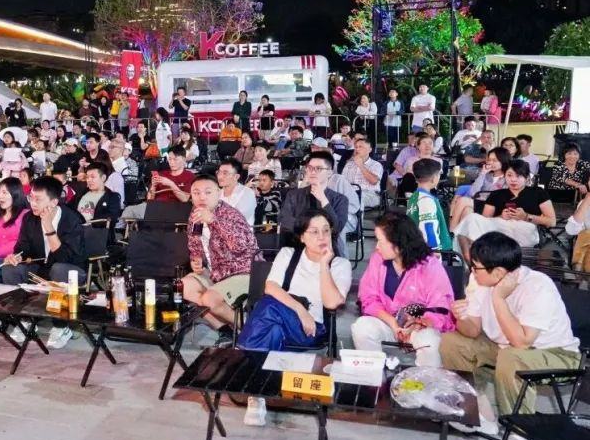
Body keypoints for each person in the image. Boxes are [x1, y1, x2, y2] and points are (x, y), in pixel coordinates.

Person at [440, 232, 581, 440]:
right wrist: (459, 316)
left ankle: (520, 435)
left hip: (557, 354)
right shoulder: (479, 280)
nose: (472, 271)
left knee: (512, 356)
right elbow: (472, 331)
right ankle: (480, 413)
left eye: (476, 267)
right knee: (452, 342)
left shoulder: (537, 286)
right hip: (504, 348)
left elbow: (522, 341)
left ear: (498, 272)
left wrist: (498, 299)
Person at [237, 209, 352, 425]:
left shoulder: (340, 265)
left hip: (313, 330)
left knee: (267, 307)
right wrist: (301, 310)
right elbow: (270, 287)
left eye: (326, 231)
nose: (321, 237)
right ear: (302, 237)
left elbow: (331, 303)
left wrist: (324, 266)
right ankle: (257, 396)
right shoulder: (288, 254)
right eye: (314, 232)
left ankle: (244, 365)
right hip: (283, 321)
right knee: (271, 324)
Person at [351, 212, 455, 366]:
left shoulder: (429, 265)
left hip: (420, 327)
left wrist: (418, 324)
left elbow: (440, 306)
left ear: (398, 244)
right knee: (362, 328)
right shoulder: (378, 259)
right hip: (389, 322)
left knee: (428, 342)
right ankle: (373, 374)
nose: (377, 246)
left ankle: (425, 379)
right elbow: (368, 298)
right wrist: (393, 323)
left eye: (380, 241)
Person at [2, 176, 86, 349]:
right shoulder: (29, 218)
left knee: (58, 269)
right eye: (31, 198)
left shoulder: (72, 219)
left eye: (38, 199)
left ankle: (61, 325)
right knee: (10, 269)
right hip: (41, 269)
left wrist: (48, 227)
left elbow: (64, 258)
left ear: (54, 202)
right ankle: (25, 319)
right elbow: (22, 248)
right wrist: (16, 257)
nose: (33, 203)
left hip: (71, 271)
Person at [182, 175, 258, 345]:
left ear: (218, 193)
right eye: (196, 193)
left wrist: (213, 221)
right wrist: (196, 259)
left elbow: (240, 247)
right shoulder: (195, 215)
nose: (202, 197)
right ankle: (226, 331)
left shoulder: (230, 214)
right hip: (216, 273)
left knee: (209, 299)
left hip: (244, 272)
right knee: (184, 286)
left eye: (208, 192)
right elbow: (194, 244)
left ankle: (253, 330)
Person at [453, 159, 555, 255]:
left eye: (518, 176)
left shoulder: (538, 193)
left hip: (525, 231)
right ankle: (469, 258)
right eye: (509, 175)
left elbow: (551, 222)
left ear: (527, 178)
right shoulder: (496, 194)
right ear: (504, 176)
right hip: (499, 231)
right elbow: (485, 221)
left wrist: (526, 216)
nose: (513, 179)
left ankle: (475, 254)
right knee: (472, 218)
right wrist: (501, 217)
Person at [277, 151, 349, 256]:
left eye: (318, 168)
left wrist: (323, 200)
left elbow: (337, 228)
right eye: (309, 168)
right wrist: (312, 232)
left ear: (329, 172)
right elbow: (284, 219)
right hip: (296, 247)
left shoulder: (340, 199)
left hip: (325, 250)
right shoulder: (294, 195)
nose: (313, 172)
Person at [120, 145, 194, 221]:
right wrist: (153, 186)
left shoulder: (189, 176)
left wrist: (171, 184)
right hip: (154, 206)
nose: (172, 162)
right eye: (170, 159)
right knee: (129, 210)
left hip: (174, 208)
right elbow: (149, 199)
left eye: (175, 159)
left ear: (184, 160)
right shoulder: (162, 174)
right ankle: (121, 228)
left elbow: (185, 199)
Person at [450, 147, 511, 230]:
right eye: (489, 160)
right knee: (467, 211)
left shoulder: (507, 178)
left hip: (493, 208)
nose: (491, 162)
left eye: (495, 160)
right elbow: (473, 193)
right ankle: (461, 236)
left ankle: (452, 230)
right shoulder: (486, 175)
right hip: (479, 204)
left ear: (503, 161)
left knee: (463, 200)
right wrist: (483, 173)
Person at [406, 158, 451, 252]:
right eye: (439, 174)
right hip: (431, 250)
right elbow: (428, 226)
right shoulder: (426, 200)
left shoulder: (414, 196)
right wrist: (434, 250)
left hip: (416, 246)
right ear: (434, 178)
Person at [341, 137, 383, 209]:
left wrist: (360, 165)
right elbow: (343, 181)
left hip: (370, 194)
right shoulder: (349, 164)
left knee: (352, 197)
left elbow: (374, 181)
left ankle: (355, 216)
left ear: (369, 150)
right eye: (356, 147)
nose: (357, 149)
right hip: (350, 192)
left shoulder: (376, 165)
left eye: (360, 147)